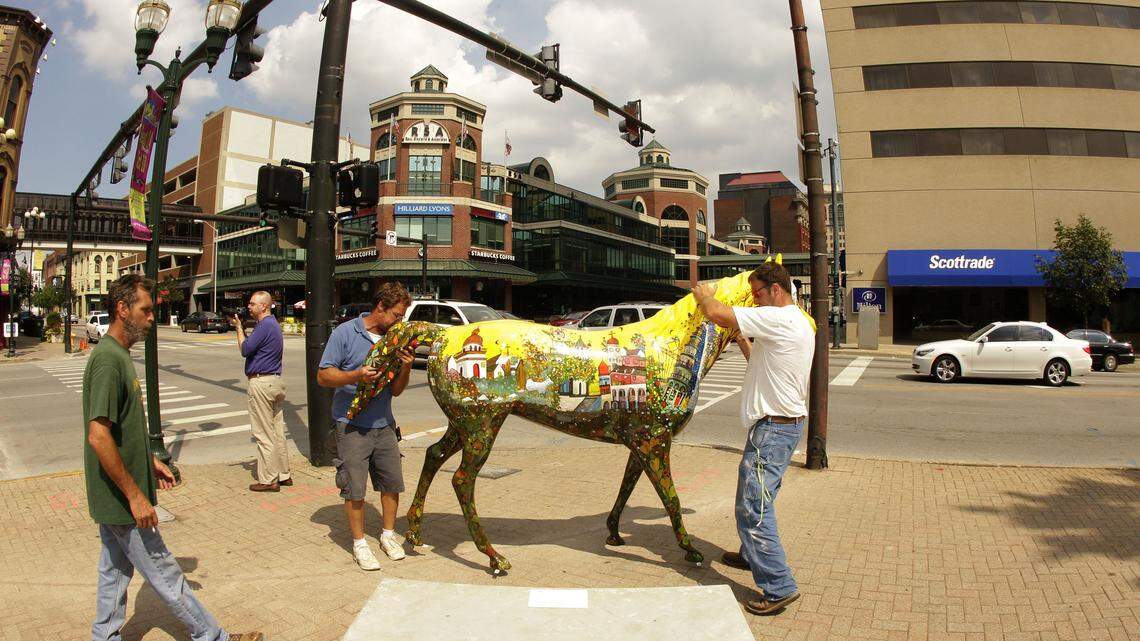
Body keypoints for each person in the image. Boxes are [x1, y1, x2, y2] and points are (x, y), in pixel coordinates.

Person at [84, 274, 262, 641]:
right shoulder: (108, 361)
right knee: (164, 571)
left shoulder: (116, 356)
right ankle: (214, 637)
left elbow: (118, 431)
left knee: (114, 573)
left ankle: (104, 636)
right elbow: (98, 436)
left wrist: (148, 460)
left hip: (117, 496)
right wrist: (136, 495)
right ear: (122, 309)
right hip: (123, 501)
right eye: (146, 310)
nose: (151, 318)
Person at [692, 261, 815, 616]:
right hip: (778, 427)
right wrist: (743, 339)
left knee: (753, 506)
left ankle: (778, 586)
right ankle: (751, 555)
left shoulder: (781, 318)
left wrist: (705, 296)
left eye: (757, 293)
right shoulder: (791, 325)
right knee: (759, 497)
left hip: (774, 428)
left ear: (776, 290)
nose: (755, 300)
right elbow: (758, 361)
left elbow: (718, 313)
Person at [317, 283, 415, 571]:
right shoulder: (346, 333)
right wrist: (355, 375)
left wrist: (406, 366)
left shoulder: (394, 339)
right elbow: (324, 376)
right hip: (351, 426)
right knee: (355, 488)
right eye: (397, 315)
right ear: (381, 307)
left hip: (384, 424)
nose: (400, 321)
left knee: (391, 484)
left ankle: (387, 535)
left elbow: (396, 391)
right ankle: (360, 543)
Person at [231, 291, 288, 492]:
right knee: (277, 431)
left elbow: (245, 349)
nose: (249, 306)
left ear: (264, 306)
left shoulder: (264, 325)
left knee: (263, 433)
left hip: (261, 382)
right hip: (274, 381)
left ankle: (269, 479)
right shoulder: (273, 325)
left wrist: (238, 328)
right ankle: (283, 474)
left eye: (252, 303)